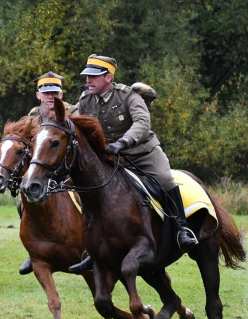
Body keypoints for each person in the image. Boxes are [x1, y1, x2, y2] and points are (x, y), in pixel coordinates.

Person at [70, 54, 197, 273]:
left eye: (93, 77)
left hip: (142, 152)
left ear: (108, 77)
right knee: (88, 190)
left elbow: (142, 122)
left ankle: (182, 229)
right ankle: (93, 250)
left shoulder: (128, 96)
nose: (88, 80)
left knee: (165, 179)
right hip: (111, 157)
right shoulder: (85, 101)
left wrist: (124, 141)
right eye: (87, 76)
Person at [18, 71, 76, 275]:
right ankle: (34, 252)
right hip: (43, 174)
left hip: (69, 174)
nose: (50, 97)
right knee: (23, 203)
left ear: (61, 94)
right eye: (46, 92)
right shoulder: (32, 117)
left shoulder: (73, 112)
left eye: (55, 92)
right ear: (38, 95)